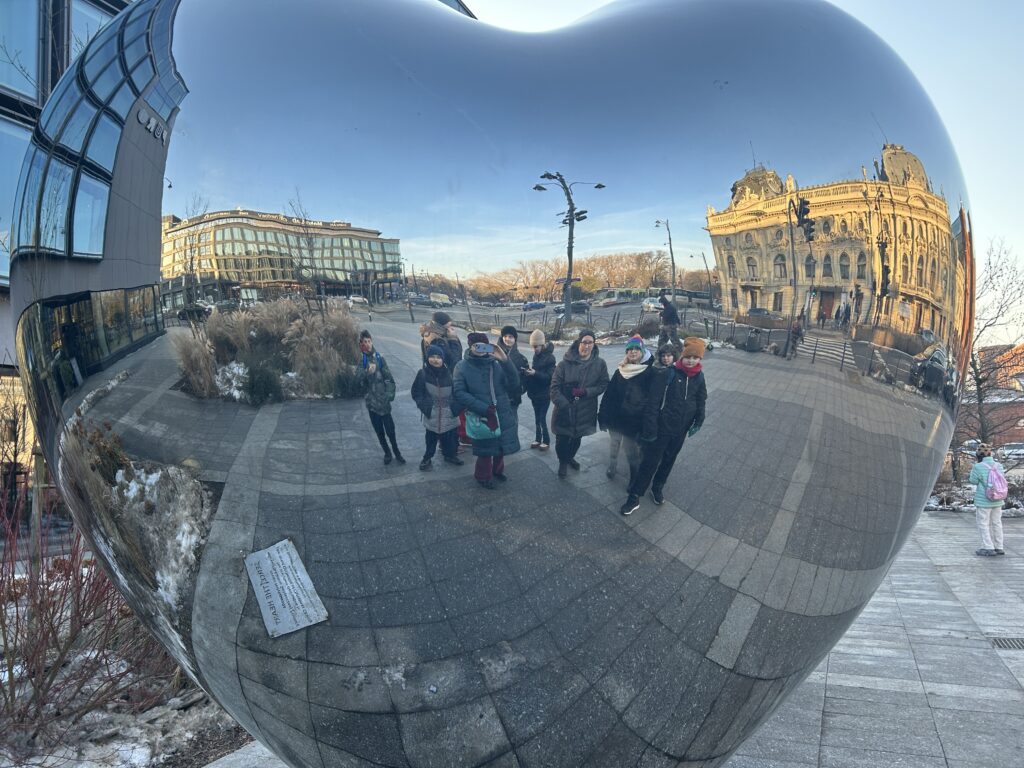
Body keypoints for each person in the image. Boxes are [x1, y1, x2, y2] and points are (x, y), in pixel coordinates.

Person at [620, 337, 707, 515]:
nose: (691, 361)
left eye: (695, 358)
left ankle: (657, 487)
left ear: (700, 359)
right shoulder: (669, 374)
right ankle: (635, 496)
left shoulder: (699, 376)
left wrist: (699, 420)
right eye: (688, 356)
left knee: (668, 460)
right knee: (649, 462)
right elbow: (653, 403)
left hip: (680, 430)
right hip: (662, 428)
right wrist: (650, 429)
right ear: (682, 356)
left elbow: (700, 399)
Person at [453, 332, 522, 489]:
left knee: (500, 447)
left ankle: (498, 471)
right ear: (470, 346)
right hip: (481, 415)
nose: (481, 349)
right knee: (484, 452)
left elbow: (514, 384)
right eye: (477, 345)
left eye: (484, 346)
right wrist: (483, 408)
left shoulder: (496, 364)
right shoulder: (461, 366)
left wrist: (505, 361)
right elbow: (459, 392)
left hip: (502, 413)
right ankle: (483, 477)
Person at [550, 329, 610, 478]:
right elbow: (554, 388)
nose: (587, 346)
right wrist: (565, 405)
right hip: (565, 409)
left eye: (590, 342)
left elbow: (603, 384)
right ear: (578, 343)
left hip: (586, 410)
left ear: (594, 344)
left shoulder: (600, 364)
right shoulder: (564, 364)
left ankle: (569, 457)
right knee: (562, 440)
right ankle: (562, 462)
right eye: (584, 342)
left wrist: (586, 392)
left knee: (577, 438)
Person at [598, 335, 654, 484]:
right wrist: (602, 416)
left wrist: (646, 424)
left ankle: (634, 476)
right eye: (630, 349)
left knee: (631, 451)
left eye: (636, 349)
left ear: (642, 351)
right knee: (614, 444)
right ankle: (612, 466)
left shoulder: (649, 372)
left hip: (633, 421)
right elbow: (609, 395)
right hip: (616, 418)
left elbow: (651, 401)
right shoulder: (621, 370)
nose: (633, 352)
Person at [411, 343, 464, 471]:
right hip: (432, 415)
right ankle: (427, 458)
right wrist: (425, 407)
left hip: (449, 414)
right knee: (430, 439)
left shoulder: (450, 374)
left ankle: (450, 455)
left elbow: (459, 393)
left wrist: (455, 409)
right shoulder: (422, 374)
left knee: (450, 438)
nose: (435, 360)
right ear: (427, 358)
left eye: (439, 357)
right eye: (432, 356)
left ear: (443, 359)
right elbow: (416, 392)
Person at [357, 330, 404, 465]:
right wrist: (367, 372)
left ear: (372, 342)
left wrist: (389, 395)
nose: (367, 344)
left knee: (391, 431)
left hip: (384, 402)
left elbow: (389, 379)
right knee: (379, 431)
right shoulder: (362, 360)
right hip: (372, 404)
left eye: (369, 341)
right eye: (364, 342)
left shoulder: (379, 358)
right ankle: (387, 453)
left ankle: (397, 452)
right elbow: (356, 380)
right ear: (361, 344)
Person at [968, 445, 1007, 556]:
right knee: (997, 523)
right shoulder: (999, 465)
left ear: (978, 455)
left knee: (983, 523)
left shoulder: (978, 466)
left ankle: (988, 547)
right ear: (991, 454)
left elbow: (973, 481)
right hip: (998, 499)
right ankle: (999, 547)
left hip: (984, 500)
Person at [525, 329, 555, 449]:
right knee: (537, 418)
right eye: (533, 346)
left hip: (544, 394)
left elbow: (549, 377)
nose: (534, 349)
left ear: (542, 344)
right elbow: (536, 374)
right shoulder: (536, 355)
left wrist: (535, 373)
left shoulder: (550, 358)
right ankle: (538, 439)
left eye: (536, 346)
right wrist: (528, 373)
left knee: (542, 418)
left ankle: (546, 441)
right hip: (535, 393)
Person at [496, 325, 529, 410]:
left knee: (513, 421)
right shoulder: (494, 353)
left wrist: (520, 390)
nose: (507, 339)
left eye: (510, 337)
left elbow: (525, 379)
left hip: (513, 399)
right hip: (497, 398)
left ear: (515, 339)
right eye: (505, 336)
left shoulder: (522, 358)